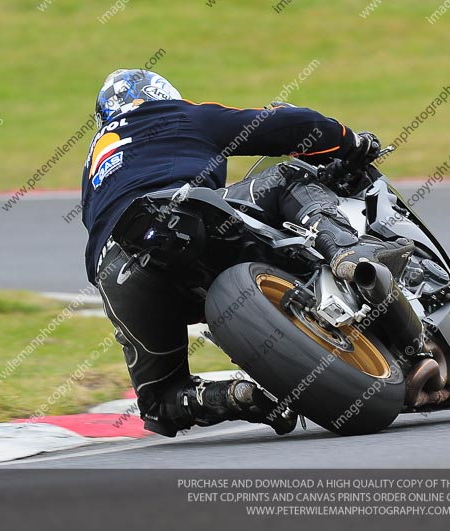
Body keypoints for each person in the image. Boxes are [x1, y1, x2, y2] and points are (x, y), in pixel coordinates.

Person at [82, 69, 414, 437]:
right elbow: (286, 125)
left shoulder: (94, 162)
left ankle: (234, 397)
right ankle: (345, 252)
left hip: (115, 270)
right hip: (183, 216)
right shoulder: (172, 114)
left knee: (161, 402)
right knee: (286, 176)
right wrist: (348, 142)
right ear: (162, 94)